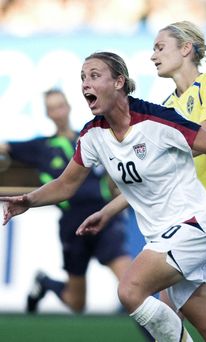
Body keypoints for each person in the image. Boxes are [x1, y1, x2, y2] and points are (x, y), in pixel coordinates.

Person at [1, 52, 206, 342]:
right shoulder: (92, 136)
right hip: (163, 236)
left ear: (119, 82)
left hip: (195, 225)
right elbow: (65, 185)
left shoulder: (155, 120)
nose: (86, 83)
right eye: (83, 78)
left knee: (129, 289)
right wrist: (28, 200)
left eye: (95, 75)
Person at [0, 88, 133, 315]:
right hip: (72, 225)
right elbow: (5, 147)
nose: (58, 112)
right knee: (76, 303)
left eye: (60, 106)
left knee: (131, 287)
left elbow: (114, 172)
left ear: (69, 107)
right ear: (47, 114)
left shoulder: (89, 137)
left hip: (103, 219)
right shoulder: (41, 147)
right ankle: (45, 283)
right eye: (52, 108)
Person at [150, 20, 206, 315]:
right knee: (164, 311)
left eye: (160, 48)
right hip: (193, 222)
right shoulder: (165, 106)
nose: (153, 56)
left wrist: (156, 156)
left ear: (186, 48)